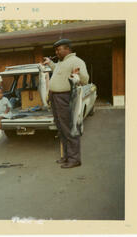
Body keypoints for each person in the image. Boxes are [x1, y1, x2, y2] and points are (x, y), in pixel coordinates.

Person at [42, 39, 89, 169]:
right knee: (61, 129)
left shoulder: (76, 61)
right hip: (55, 98)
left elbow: (85, 80)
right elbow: (57, 69)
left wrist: (78, 74)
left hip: (66, 98)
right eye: (55, 50)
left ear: (67, 48)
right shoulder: (62, 62)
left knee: (69, 128)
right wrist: (50, 63)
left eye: (58, 49)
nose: (56, 52)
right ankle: (67, 156)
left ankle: (75, 159)